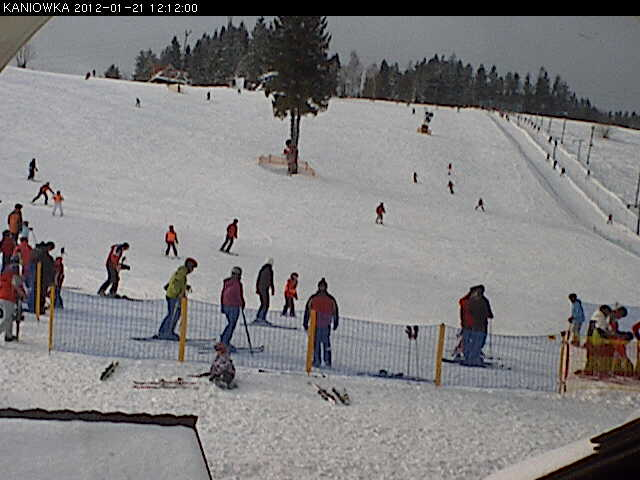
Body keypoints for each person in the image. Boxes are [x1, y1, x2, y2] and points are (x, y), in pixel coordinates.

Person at [155, 257, 197, 340]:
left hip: (173, 295)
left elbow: (178, 283)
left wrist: (185, 287)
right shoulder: (182, 273)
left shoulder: (182, 272)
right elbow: (175, 284)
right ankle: (166, 332)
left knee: (174, 314)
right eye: (192, 267)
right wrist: (178, 294)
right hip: (174, 296)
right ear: (189, 265)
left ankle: (165, 331)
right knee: (173, 315)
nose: (192, 270)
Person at [303, 278, 339, 368]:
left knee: (325, 344)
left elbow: (335, 311)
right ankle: (318, 360)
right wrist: (305, 322)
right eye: (321, 286)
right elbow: (307, 310)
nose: (322, 288)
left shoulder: (329, 299)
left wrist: (335, 322)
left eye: (323, 286)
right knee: (317, 344)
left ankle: (326, 361)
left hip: (325, 324)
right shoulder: (315, 298)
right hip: (316, 324)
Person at [463, 285, 493, 366]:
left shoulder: (470, 300)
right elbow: (488, 313)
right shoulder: (483, 301)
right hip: (480, 325)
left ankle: (469, 358)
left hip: (472, 325)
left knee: (472, 342)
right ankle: (473, 359)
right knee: (477, 342)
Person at [219, 266, 245, 352]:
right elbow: (238, 295)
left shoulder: (227, 282)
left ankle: (223, 339)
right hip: (233, 306)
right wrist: (242, 303)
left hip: (226, 305)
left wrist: (222, 305)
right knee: (231, 325)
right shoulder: (237, 284)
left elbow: (223, 294)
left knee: (230, 324)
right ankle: (225, 342)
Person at [0, 257, 26, 342]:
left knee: (9, 317)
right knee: (7, 319)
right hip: (8, 296)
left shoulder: (5, 270)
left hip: (2, 295)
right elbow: (15, 283)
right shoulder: (14, 270)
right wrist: (22, 293)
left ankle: (8, 335)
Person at [26, 241, 55, 314]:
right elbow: (49, 269)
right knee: (40, 294)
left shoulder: (36, 252)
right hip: (41, 279)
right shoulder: (45, 256)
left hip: (36, 277)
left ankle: (35, 308)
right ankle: (38, 309)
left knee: (36, 294)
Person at [254, 258, 274, 324]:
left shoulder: (262, 270)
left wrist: (257, 288)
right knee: (266, 304)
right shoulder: (269, 271)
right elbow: (271, 281)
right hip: (264, 289)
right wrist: (272, 288)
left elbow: (258, 279)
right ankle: (261, 318)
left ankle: (259, 317)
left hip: (261, 289)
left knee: (263, 303)